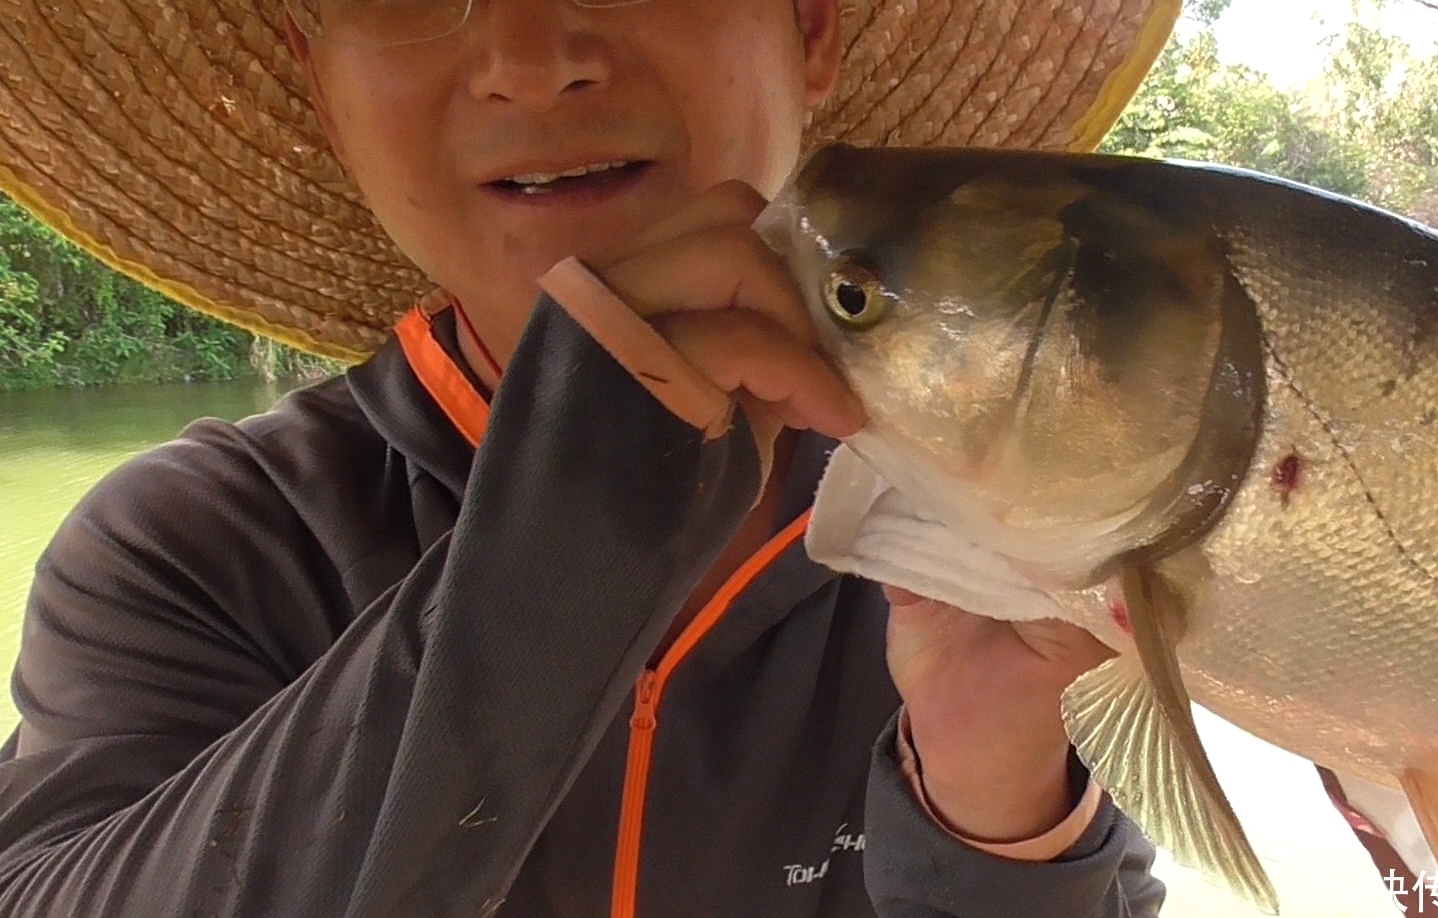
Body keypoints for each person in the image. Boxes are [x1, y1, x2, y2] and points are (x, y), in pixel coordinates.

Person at [0, 1, 1181, 915]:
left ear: (808, 24)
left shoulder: (1005, 515)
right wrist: (564, 544)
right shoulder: (197, 551)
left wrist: (994, 814)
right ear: (324, 87)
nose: (529, 55)